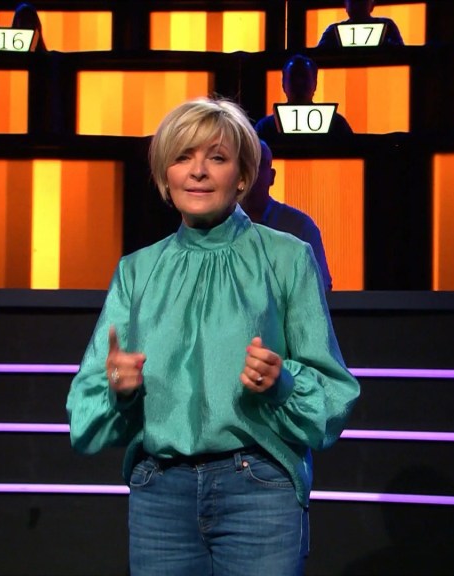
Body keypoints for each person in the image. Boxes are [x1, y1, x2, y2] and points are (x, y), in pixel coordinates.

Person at [67, 97, 360, 575]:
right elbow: (86, 410)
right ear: (165, 177)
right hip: (160, 491)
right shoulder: (136, 270)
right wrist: (118, 388)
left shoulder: (289, 257)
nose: (198, 171)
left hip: (258, 489)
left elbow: (332, 394)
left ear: (242, 176)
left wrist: (282, 382)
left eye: (217, 158)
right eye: (183, 157)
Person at [240, 140, 333, 291]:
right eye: (243, 165)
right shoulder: (214, 226)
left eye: (258, 165)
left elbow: (319, 288)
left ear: (272, 176)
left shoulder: (300, 227)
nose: (250, 174)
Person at [255, 54, 354, 144]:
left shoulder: (337, 124)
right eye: (293, 77)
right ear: (283, 84)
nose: (299, 82)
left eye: (304, 77)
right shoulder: (265, 128)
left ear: (315, 84)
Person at [317, 0, 404, 48]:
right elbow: (319, 56)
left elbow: (400, 53)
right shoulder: (332, 30)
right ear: (345, 5)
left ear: (372, 4)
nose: (357, 4)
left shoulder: (388, 25)